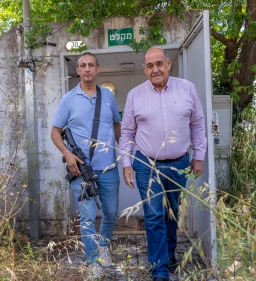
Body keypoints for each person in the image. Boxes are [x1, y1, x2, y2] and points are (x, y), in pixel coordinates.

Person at [118, 47, 207, 281]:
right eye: (149, 66)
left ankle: (168, 254)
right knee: (154, 215)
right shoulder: (135, 95)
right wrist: (127, 164)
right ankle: (159, 269)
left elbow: (197, 124)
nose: (155, 69)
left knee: (172, 213)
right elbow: (127, 132)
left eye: (159, 64)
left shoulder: (187, 88)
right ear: (144, 69)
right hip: (146, 165)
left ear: (168, 64)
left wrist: (199, 156)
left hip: (179, 164)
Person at [51, 52, 121, 280]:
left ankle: (103, 246)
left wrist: (126, 156)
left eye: (91, 65)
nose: (87, 69)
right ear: (78, 70)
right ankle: (93, 262)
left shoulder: (108, 97)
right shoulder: (69, 99)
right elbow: (55, 132)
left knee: (111, 213)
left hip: (109, 168)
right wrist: (67, 154)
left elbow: (117, 127)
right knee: (88, 218)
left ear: (98, 69)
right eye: (83, 66)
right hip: (80, 171)